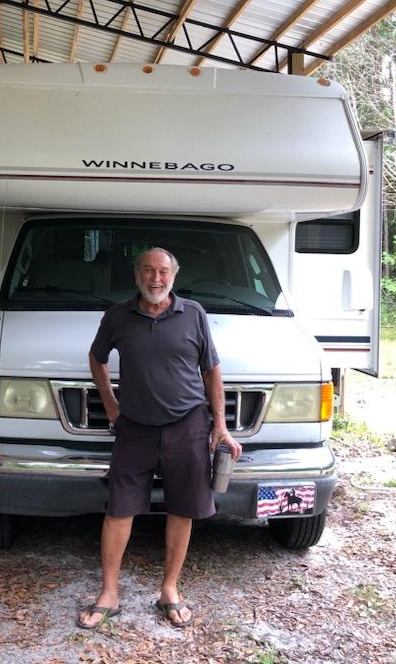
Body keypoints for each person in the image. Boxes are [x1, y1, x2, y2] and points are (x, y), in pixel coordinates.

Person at [77, 247, 242, 630]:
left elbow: (212, 370)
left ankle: (169, 589)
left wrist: (220, 424)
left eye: (163, 271)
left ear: (174, 276)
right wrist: (112, 406)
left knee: (182, 508)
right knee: (119, 508)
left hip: (188, 426)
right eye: (149, 271)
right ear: (136, 275)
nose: (156, 278)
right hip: (133, 427)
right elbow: (96, 358)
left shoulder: (194, 314)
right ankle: (109, 593)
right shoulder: (118, 316)